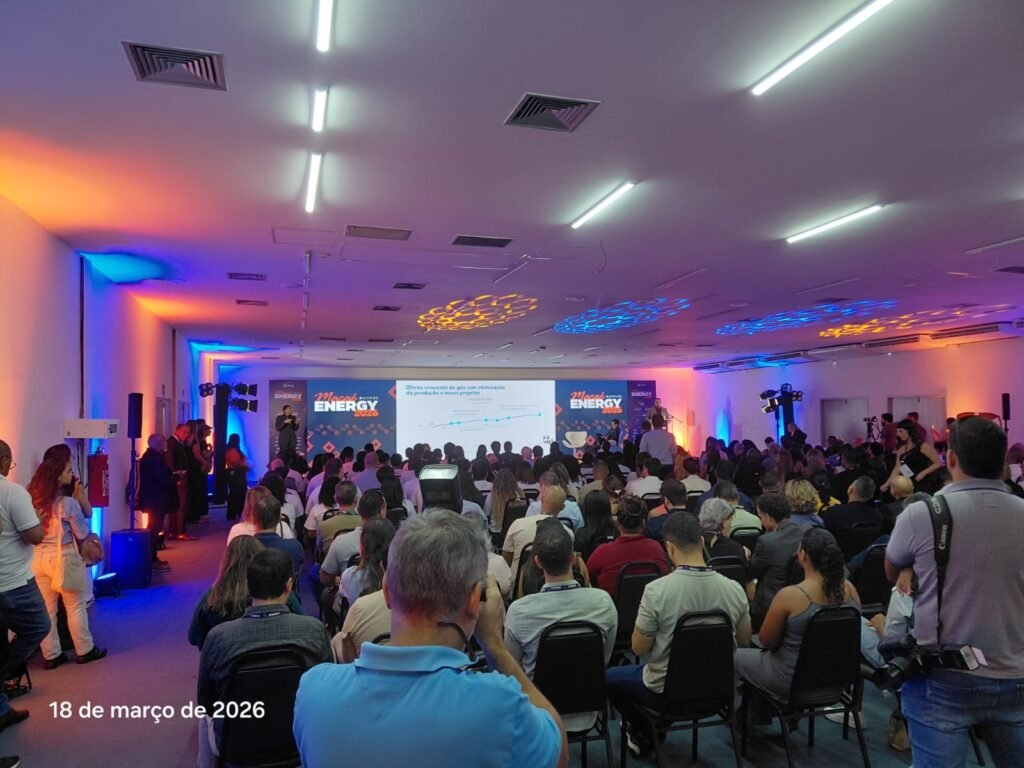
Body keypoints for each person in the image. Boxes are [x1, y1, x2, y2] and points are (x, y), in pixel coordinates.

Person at [294, 510, 568, 768]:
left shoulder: (313, 692)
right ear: (475, 600)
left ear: (387, 590)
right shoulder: (501, 707)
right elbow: (558, 753)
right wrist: (495, 644)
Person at [885, 416, 1024, 767]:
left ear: (950, 459)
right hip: (1016, 670)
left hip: (941, 675)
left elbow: (891, 571)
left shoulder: (923, 514)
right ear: (1003, 463)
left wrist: (912, 565)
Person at [606, 512, 750, 756]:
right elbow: (745, 640)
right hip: (719, 689)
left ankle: (644, 728)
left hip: (665, 694)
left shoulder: (657, 590)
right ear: (702, 542)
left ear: (669, 547)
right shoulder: (734, 589)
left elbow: (638, 648)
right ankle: (649, 727)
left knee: (610, 678)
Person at [197, 549, 330, 768]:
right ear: (289, 585)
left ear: (249, 587)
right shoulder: (314, 631)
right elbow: (327, 690)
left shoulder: (218, 638)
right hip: (300, 745)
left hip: (236, 751)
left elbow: (206, 704)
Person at [506, 518, 618, 733]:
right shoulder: (603, 602)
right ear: (574, 559)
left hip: (538, 714)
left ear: (537, 562)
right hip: (588, 707)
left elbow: (514, 669)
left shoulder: (519, 612)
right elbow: (603, 658)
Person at [736, 527, 861, 699]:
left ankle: (746, 714)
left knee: (735, 656)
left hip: (792, 681)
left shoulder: (790, 595)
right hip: (836, 681)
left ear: (802, 555)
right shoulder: (851, 590)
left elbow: (766, 641)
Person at [27, 452, 106, 668]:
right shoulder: (67, 504)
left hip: (37, 557)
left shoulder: (31, 498)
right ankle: (85, 650)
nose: (72, 475)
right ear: (57, 476)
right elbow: (82, 533)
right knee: (75, 606)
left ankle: (51, 655)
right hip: (63, 557)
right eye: (68, 471)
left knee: (48, 610)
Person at [0, 440, 50, 731]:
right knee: (38, 627)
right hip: (14, 582)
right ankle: (3, 675)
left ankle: (1, 709)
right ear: (4, 461)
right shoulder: (13, 492)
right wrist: (38, 523)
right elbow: (34, 536)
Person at [188, 536, 303, 650]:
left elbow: (194, 637)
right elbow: (302, 624)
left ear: (226, 563)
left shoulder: (212, 597)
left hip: (227, 657)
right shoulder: (280, 593)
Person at [586, 495, 669, 597]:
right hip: (651, 603)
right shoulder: (657, 549)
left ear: (617, 524)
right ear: (643, 523)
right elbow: (665, 577)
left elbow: (587, 578)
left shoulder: (602, 552)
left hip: (611, 605)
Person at [748, 493, 804, 631]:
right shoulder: (808, 531)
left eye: (760, 517)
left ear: (768, 517)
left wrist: (746, 557)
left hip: (770, 605)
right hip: (803, 598)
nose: (761, 521)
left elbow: (752, 572)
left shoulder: (766, 542)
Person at [320, 490, 387, 590]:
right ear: (382, 512)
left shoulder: (340, 542)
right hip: (387, 595)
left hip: (349, 595)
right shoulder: (395, 540)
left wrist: (343, 581)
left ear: (359, 511)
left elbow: (325, 578)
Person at [504, 486, 572, 579]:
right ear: (563, 507)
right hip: (552, 584)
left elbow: (506, 561)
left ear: (542, 500)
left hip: (517, 583)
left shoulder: (517, 524)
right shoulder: (568, 533)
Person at [699, 498, 753, 596]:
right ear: (724, 522)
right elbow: (750, 593)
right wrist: (745, 559)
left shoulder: (693, 546)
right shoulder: (736, 549)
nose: (731, 524)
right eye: (731, 520)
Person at [138, 434, 175, 570]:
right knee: (154, 529)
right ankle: (151, 559)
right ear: (159, 444)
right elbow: (162, 479)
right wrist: (174, 478)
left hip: (152, 499)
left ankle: (152, 558)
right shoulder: (154, 459)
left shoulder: (149, 457)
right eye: (164, 443)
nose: (166, 445)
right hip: (155, 500)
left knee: (154, 528)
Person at [338, 518, 394, 607]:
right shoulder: (403, 577)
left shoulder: (350, 575)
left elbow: (341, 595)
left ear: (363, 547)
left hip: (357, 615)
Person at [248, 485, 303, 574]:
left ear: (254, 519)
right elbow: (298, 571)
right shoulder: (295, 546)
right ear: (279, 518)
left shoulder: (243, 549)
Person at [883, 419, 944, 495]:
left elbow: (938, 463)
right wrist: (887, 484)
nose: (898, 434)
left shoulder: (923, 446)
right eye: (897, 432)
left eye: (901, 431)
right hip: (907, 484)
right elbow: (897, 468)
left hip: (921, 483)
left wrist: (923, 473)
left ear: (909, 431)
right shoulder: (902, 449)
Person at [165, 423, 193, 540]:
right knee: (180, 506)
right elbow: (170, 462)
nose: (186, 435)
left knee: (176, 506)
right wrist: (177, 477)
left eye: (188, 433)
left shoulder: (177, 443)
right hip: (178, 479)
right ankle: (179, 531)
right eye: (185, 432)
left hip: (178, 478)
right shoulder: (172, 443)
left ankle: (174, 530)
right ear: (177, 430)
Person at [574, 490, 618, 561]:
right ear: (608, 509)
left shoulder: (581, 534)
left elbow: (578, 561)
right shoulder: (616, 532)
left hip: (588, 567)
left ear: (586, 510)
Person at [484, 468, 524, 536]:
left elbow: (486, 514)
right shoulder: (520, 495)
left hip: (496, 532)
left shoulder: (492, 496)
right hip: (515, 530)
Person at [224, 434, 248, 521]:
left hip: (236, 473)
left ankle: (235, 512)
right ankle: (235, 512)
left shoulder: (231, 449)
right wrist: (245, 467)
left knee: (235, 493)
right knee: (237, 493)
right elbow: (235, 463)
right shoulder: (233, 450)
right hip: (236, 474)